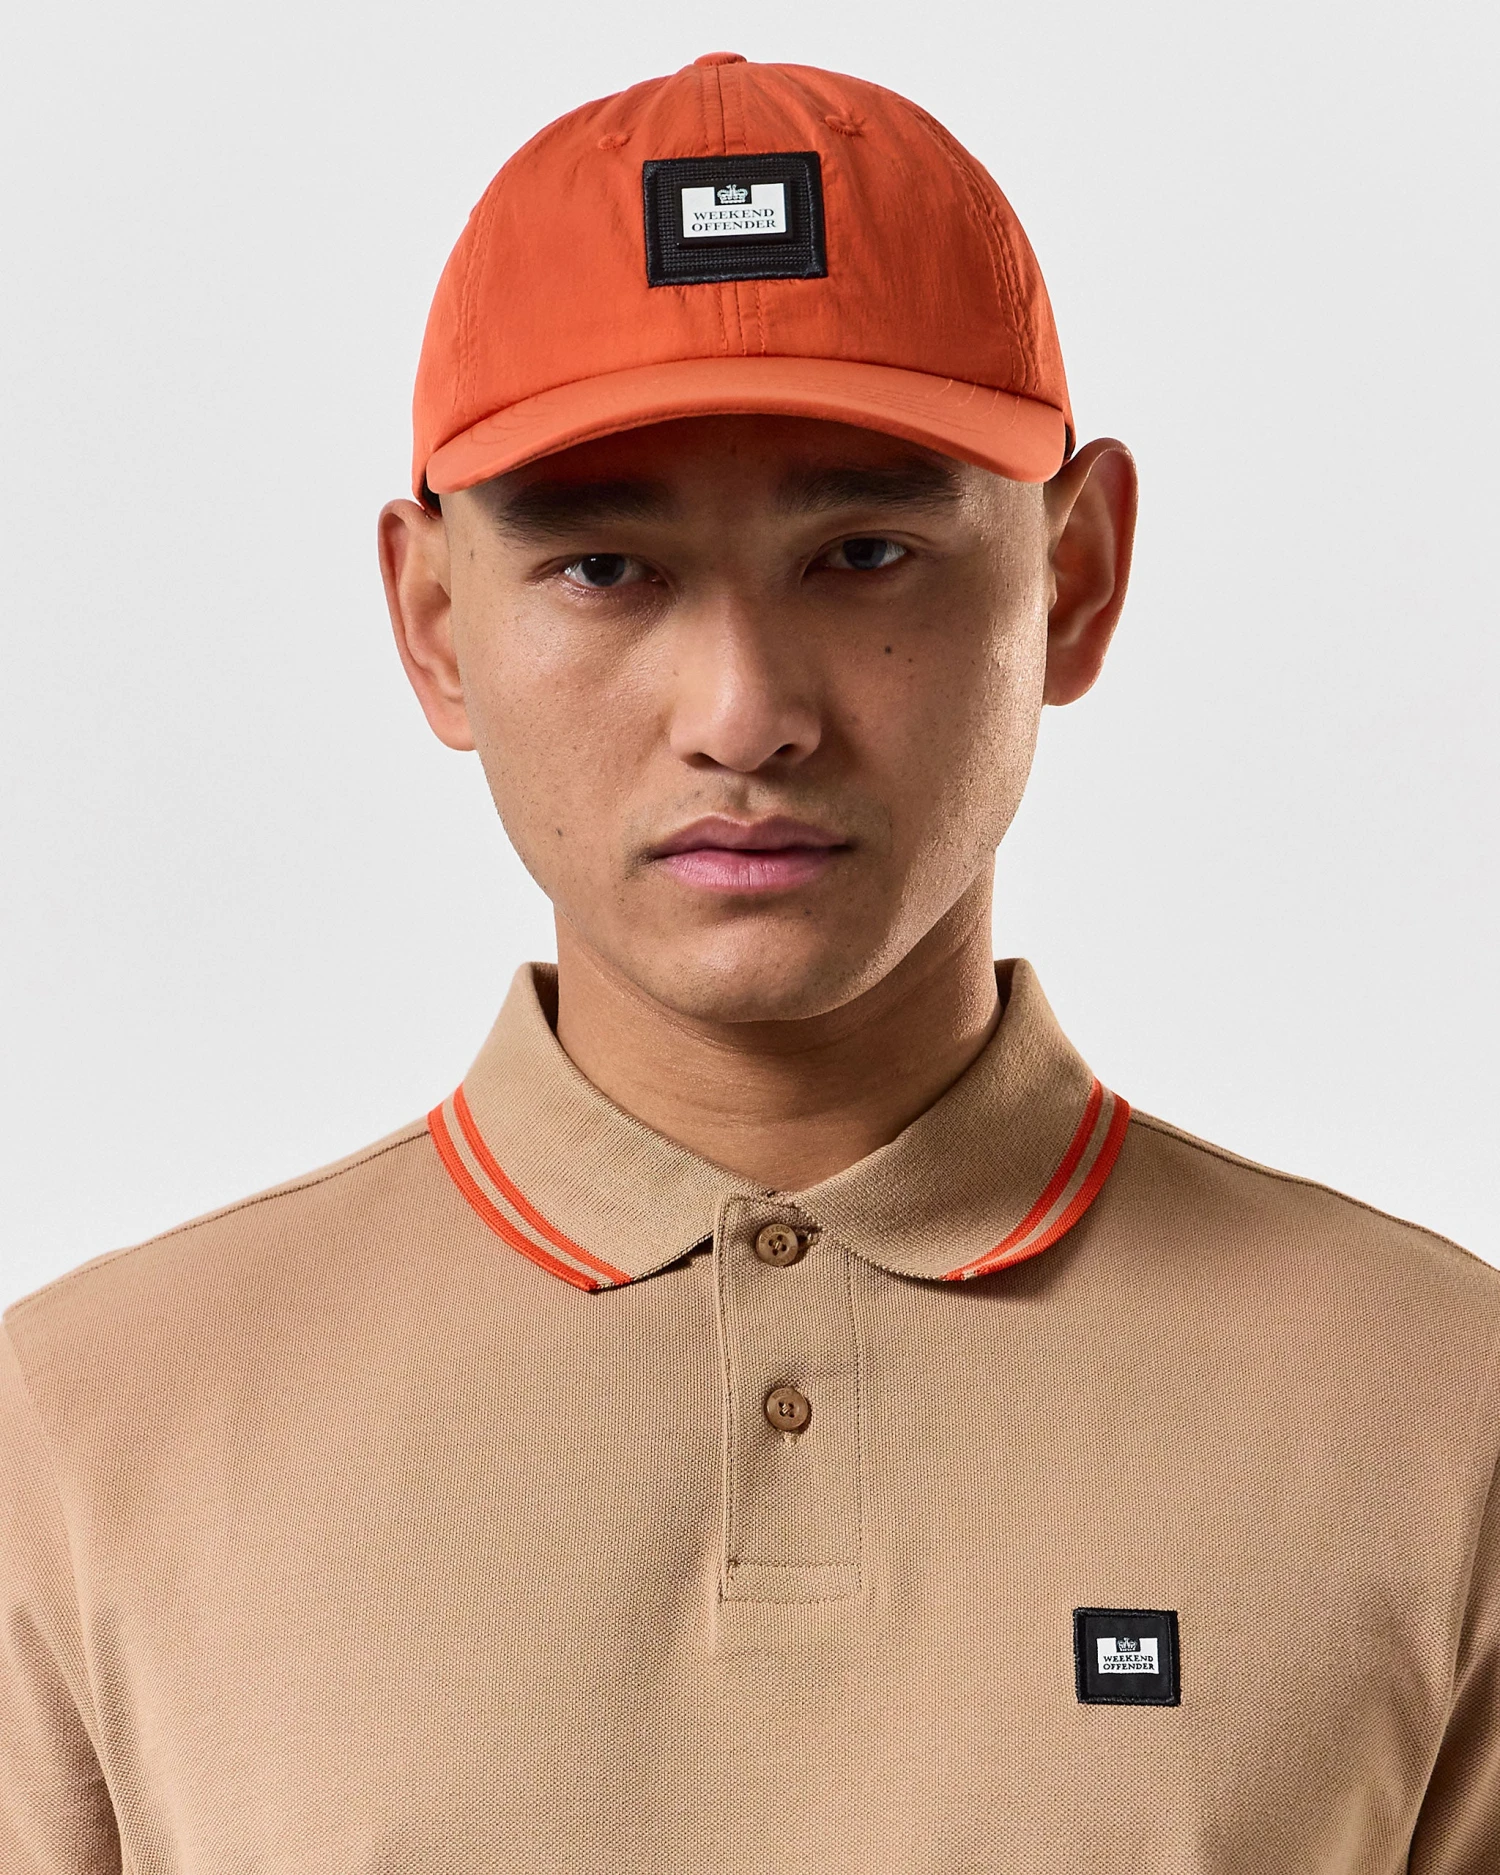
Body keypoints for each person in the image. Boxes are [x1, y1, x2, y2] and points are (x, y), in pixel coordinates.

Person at [2, 51, 1495, 1875]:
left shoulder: (1446, 1412)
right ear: (435, 620)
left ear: (1077, 578)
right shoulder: (82, 1436)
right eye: (605, 569)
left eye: (863, 552)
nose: (745, 711)